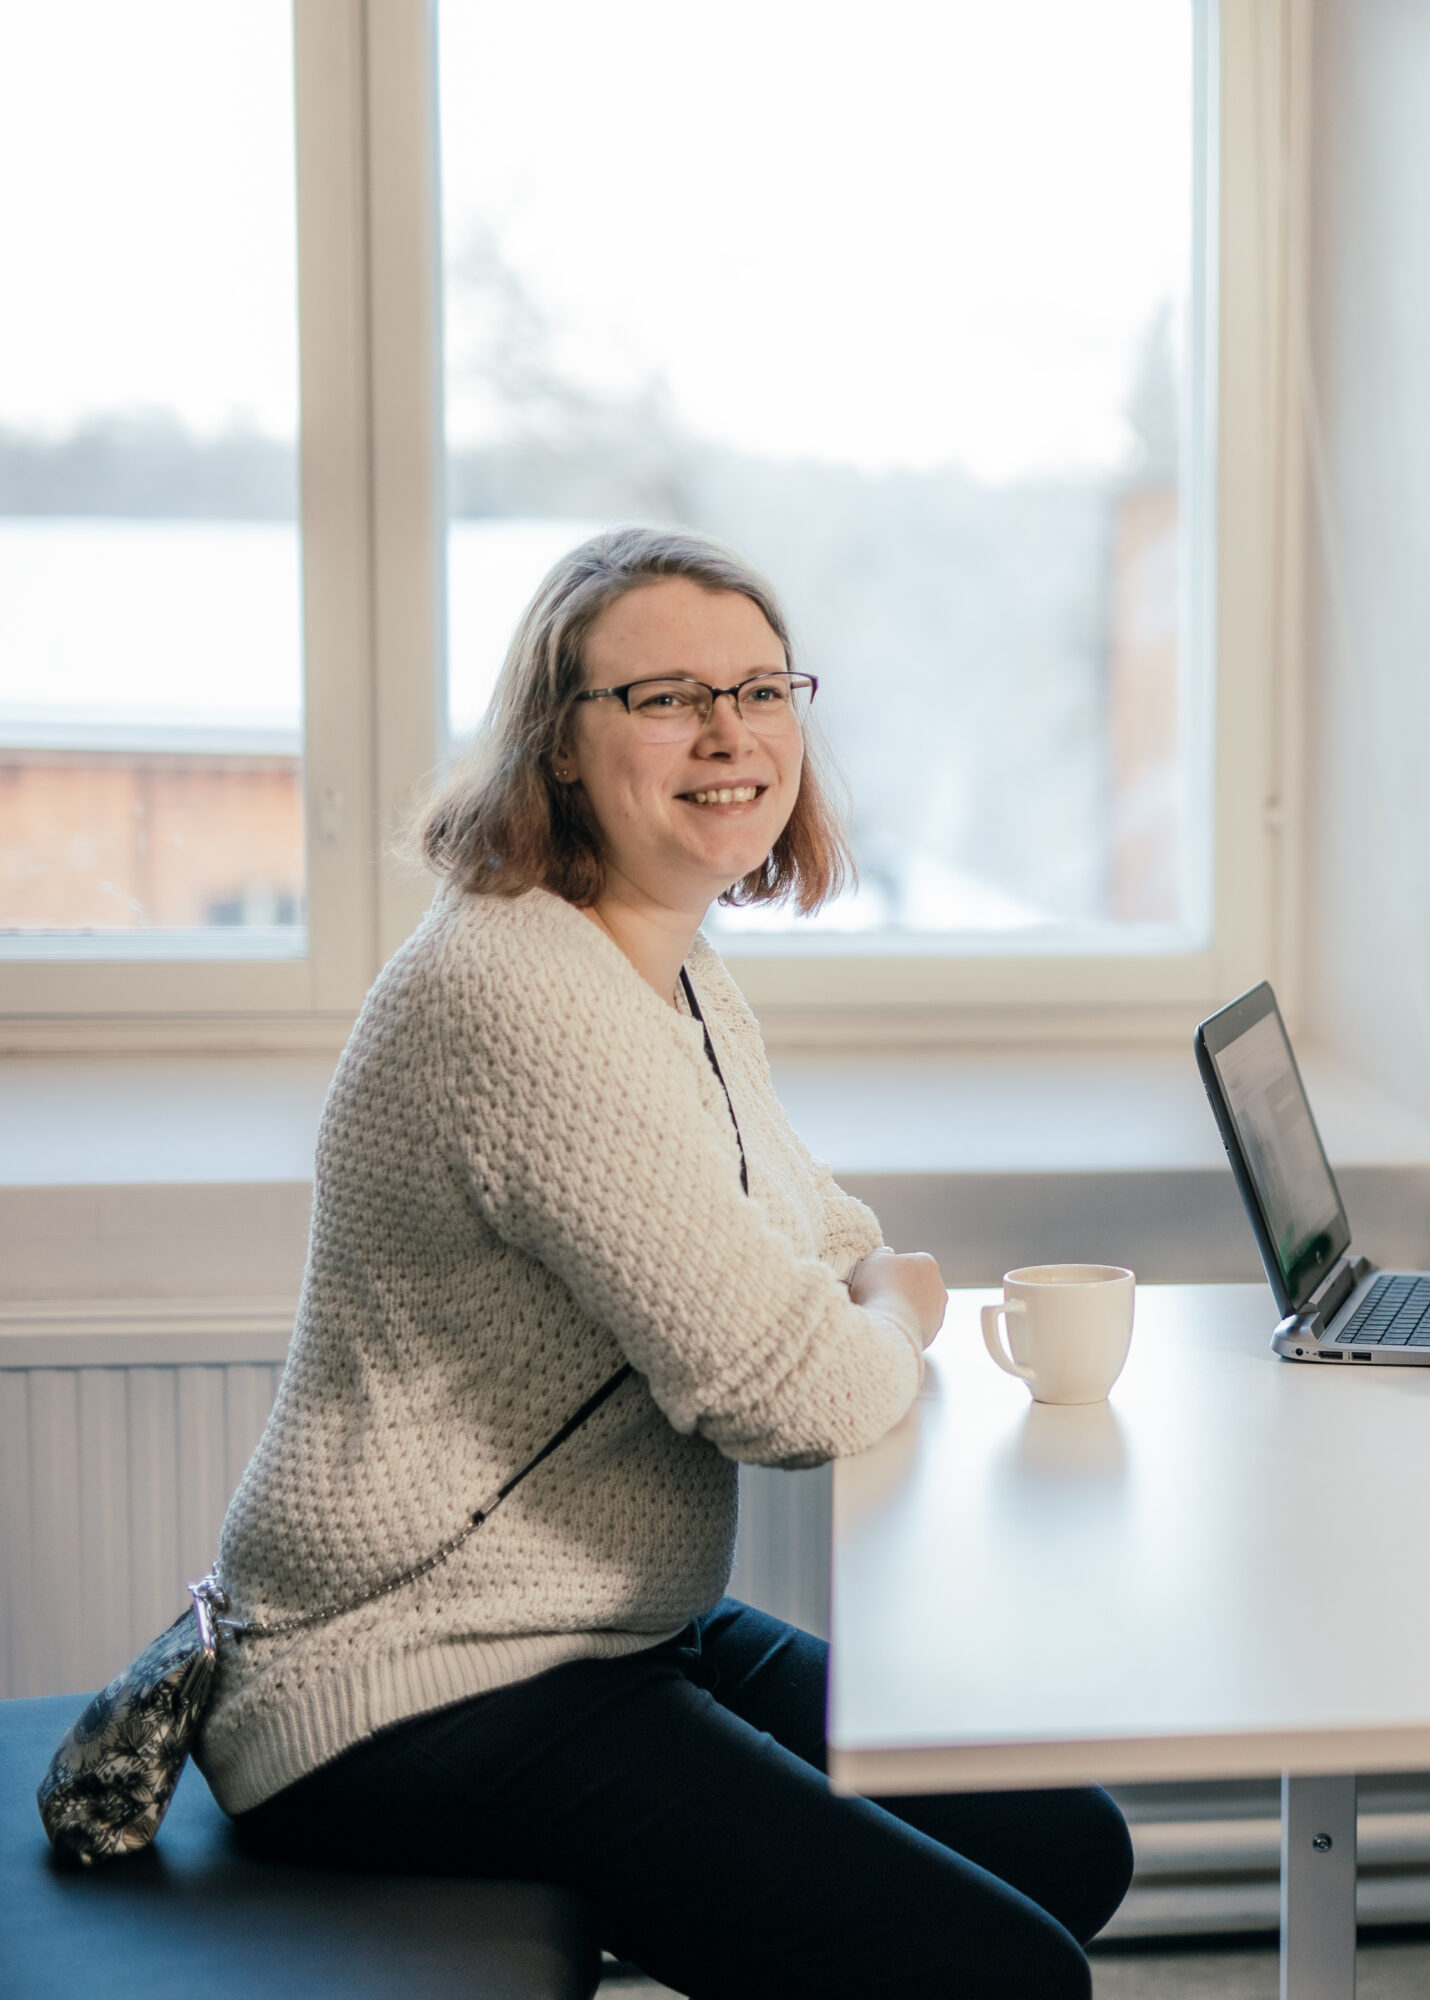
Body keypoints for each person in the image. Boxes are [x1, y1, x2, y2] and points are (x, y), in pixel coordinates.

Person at [201, 528, 1131, 1999]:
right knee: (996, 1975)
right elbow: (791, 1394)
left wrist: (865, 1292)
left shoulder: (662, 957)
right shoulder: (520, 995)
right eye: (667, 698)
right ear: (559, 745)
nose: (730, 734)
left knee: (1064, 1844)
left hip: (607, 1623)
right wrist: (886, 1312)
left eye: (763, 690)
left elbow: (817, 1225)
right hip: (406, 1678)